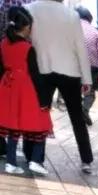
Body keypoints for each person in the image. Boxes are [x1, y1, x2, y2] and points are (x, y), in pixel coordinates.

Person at [27, 0, 92, 172]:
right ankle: (86, 159)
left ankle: (33, 156)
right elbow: (80, 48)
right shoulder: (72, 15)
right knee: (77, 117)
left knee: (38, 114)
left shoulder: (30, 9)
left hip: (41, 69)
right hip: (69, 71)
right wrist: (87, 79)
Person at [0, 6, 50, 175]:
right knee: (41, 121)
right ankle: (35, 160)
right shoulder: (28, 48)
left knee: (13, 126)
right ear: (26, 27)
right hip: (25, 88)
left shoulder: (3, 44)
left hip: (7, 87)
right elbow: (36, 76)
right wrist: (44, 100)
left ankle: (11, 162)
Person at [75, 6, 98, 125]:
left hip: (74, 66)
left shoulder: (71, 30)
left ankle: (78, 113)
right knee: (90, 93)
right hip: (91, 67)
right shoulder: (95, 32)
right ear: (89, 18)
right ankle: (84, 109)